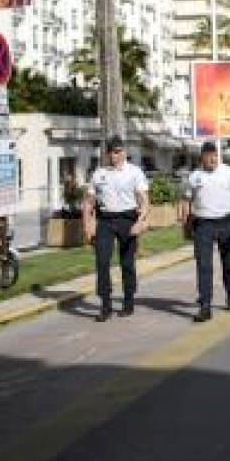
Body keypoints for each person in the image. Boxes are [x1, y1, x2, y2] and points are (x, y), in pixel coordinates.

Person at [178, 142, 230, 323]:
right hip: (203, 224)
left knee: (229, 263)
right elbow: (186, 200)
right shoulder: (195, 176)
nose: (212, 159)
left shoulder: (229, 172)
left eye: (215, 155)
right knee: (203, 265)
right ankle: (205, 306)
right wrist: (185, 223)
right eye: (208, 155)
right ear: (201, 157)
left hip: (227, 222)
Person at [82, 135, 150, 322]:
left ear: (124, 152)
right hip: (105, 220)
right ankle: (106, 304)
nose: (114, 156)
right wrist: (88, 226)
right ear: (107, 153)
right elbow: (88, 203)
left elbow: (144, 201)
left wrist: (141, 221)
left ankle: (128, 301)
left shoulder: (134, 172)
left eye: (118, 151)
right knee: (102, 262)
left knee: (127, 263)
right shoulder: (99, 173)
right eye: (111, 152)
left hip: (128, 219)